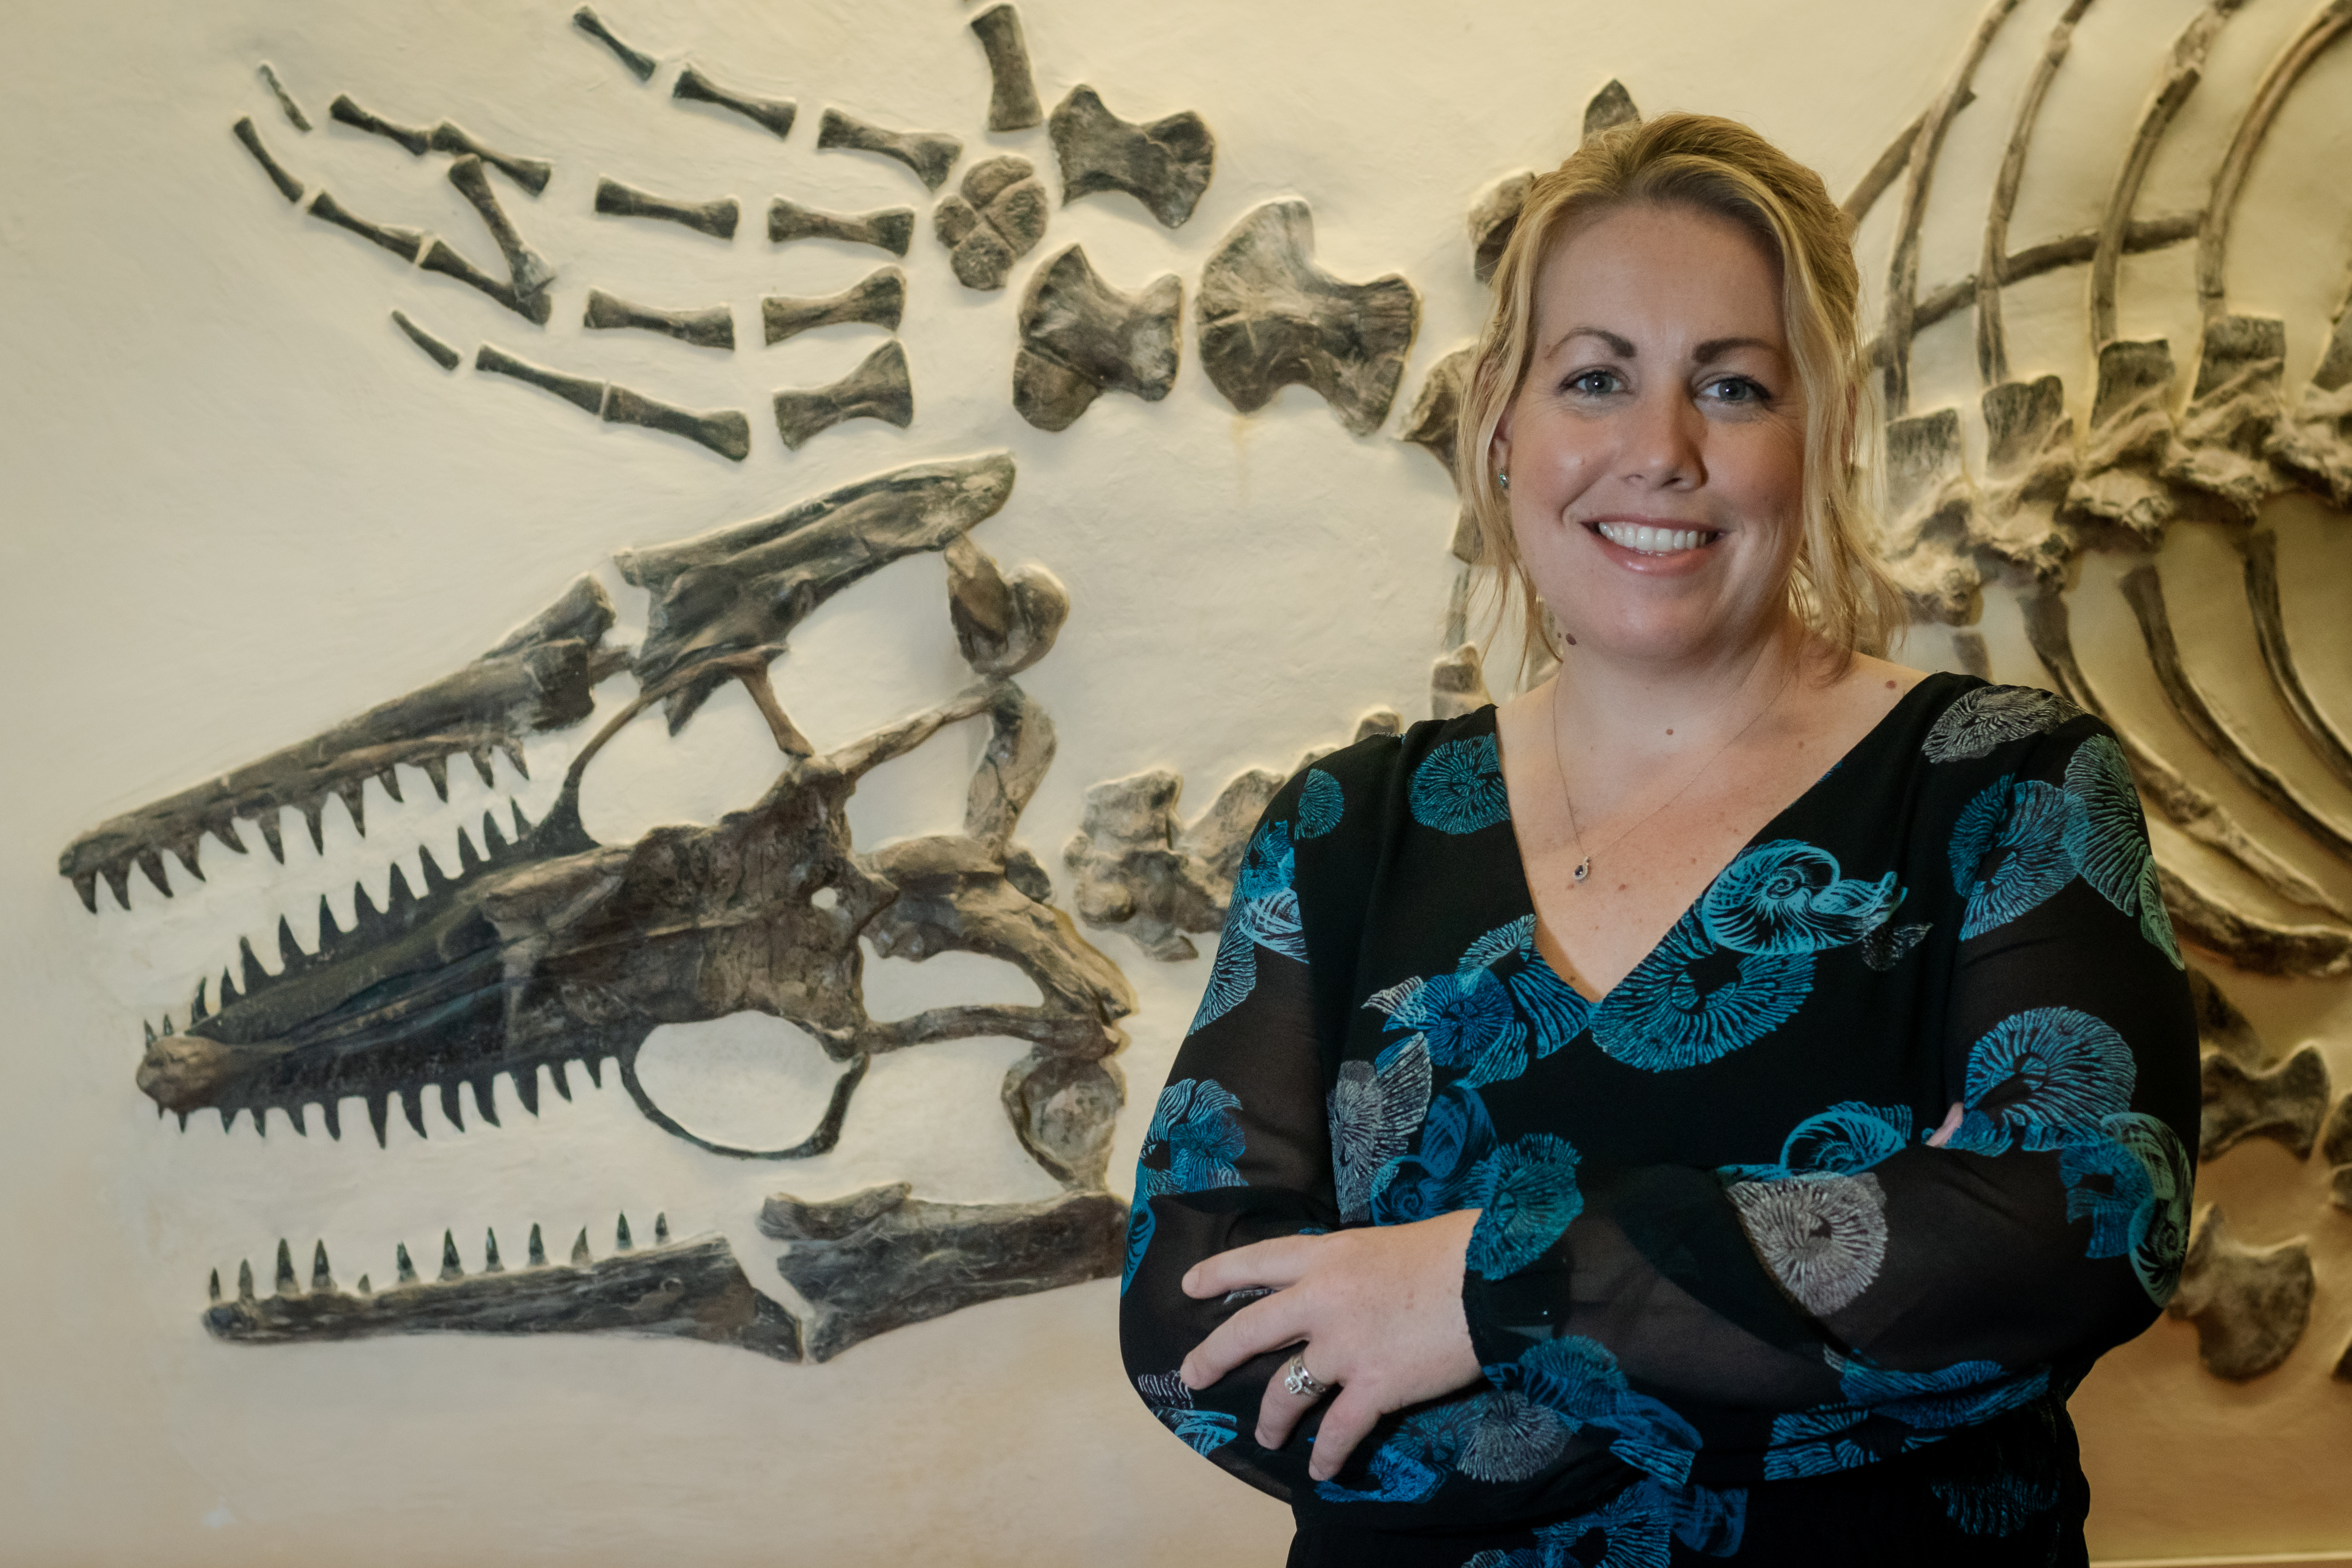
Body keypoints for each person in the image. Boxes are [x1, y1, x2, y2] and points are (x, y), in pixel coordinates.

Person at [1117, 112, 2197, 1567]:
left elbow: (2073, 1226)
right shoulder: (1340, 827)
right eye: (1595, 378)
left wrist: (1473, 1289)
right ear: (1504, 429)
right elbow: (1194, 1322)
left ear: (1813, 438)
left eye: (1733, 387)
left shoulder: (2008, 790)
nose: (1659, 450)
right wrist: (1824, 1319)